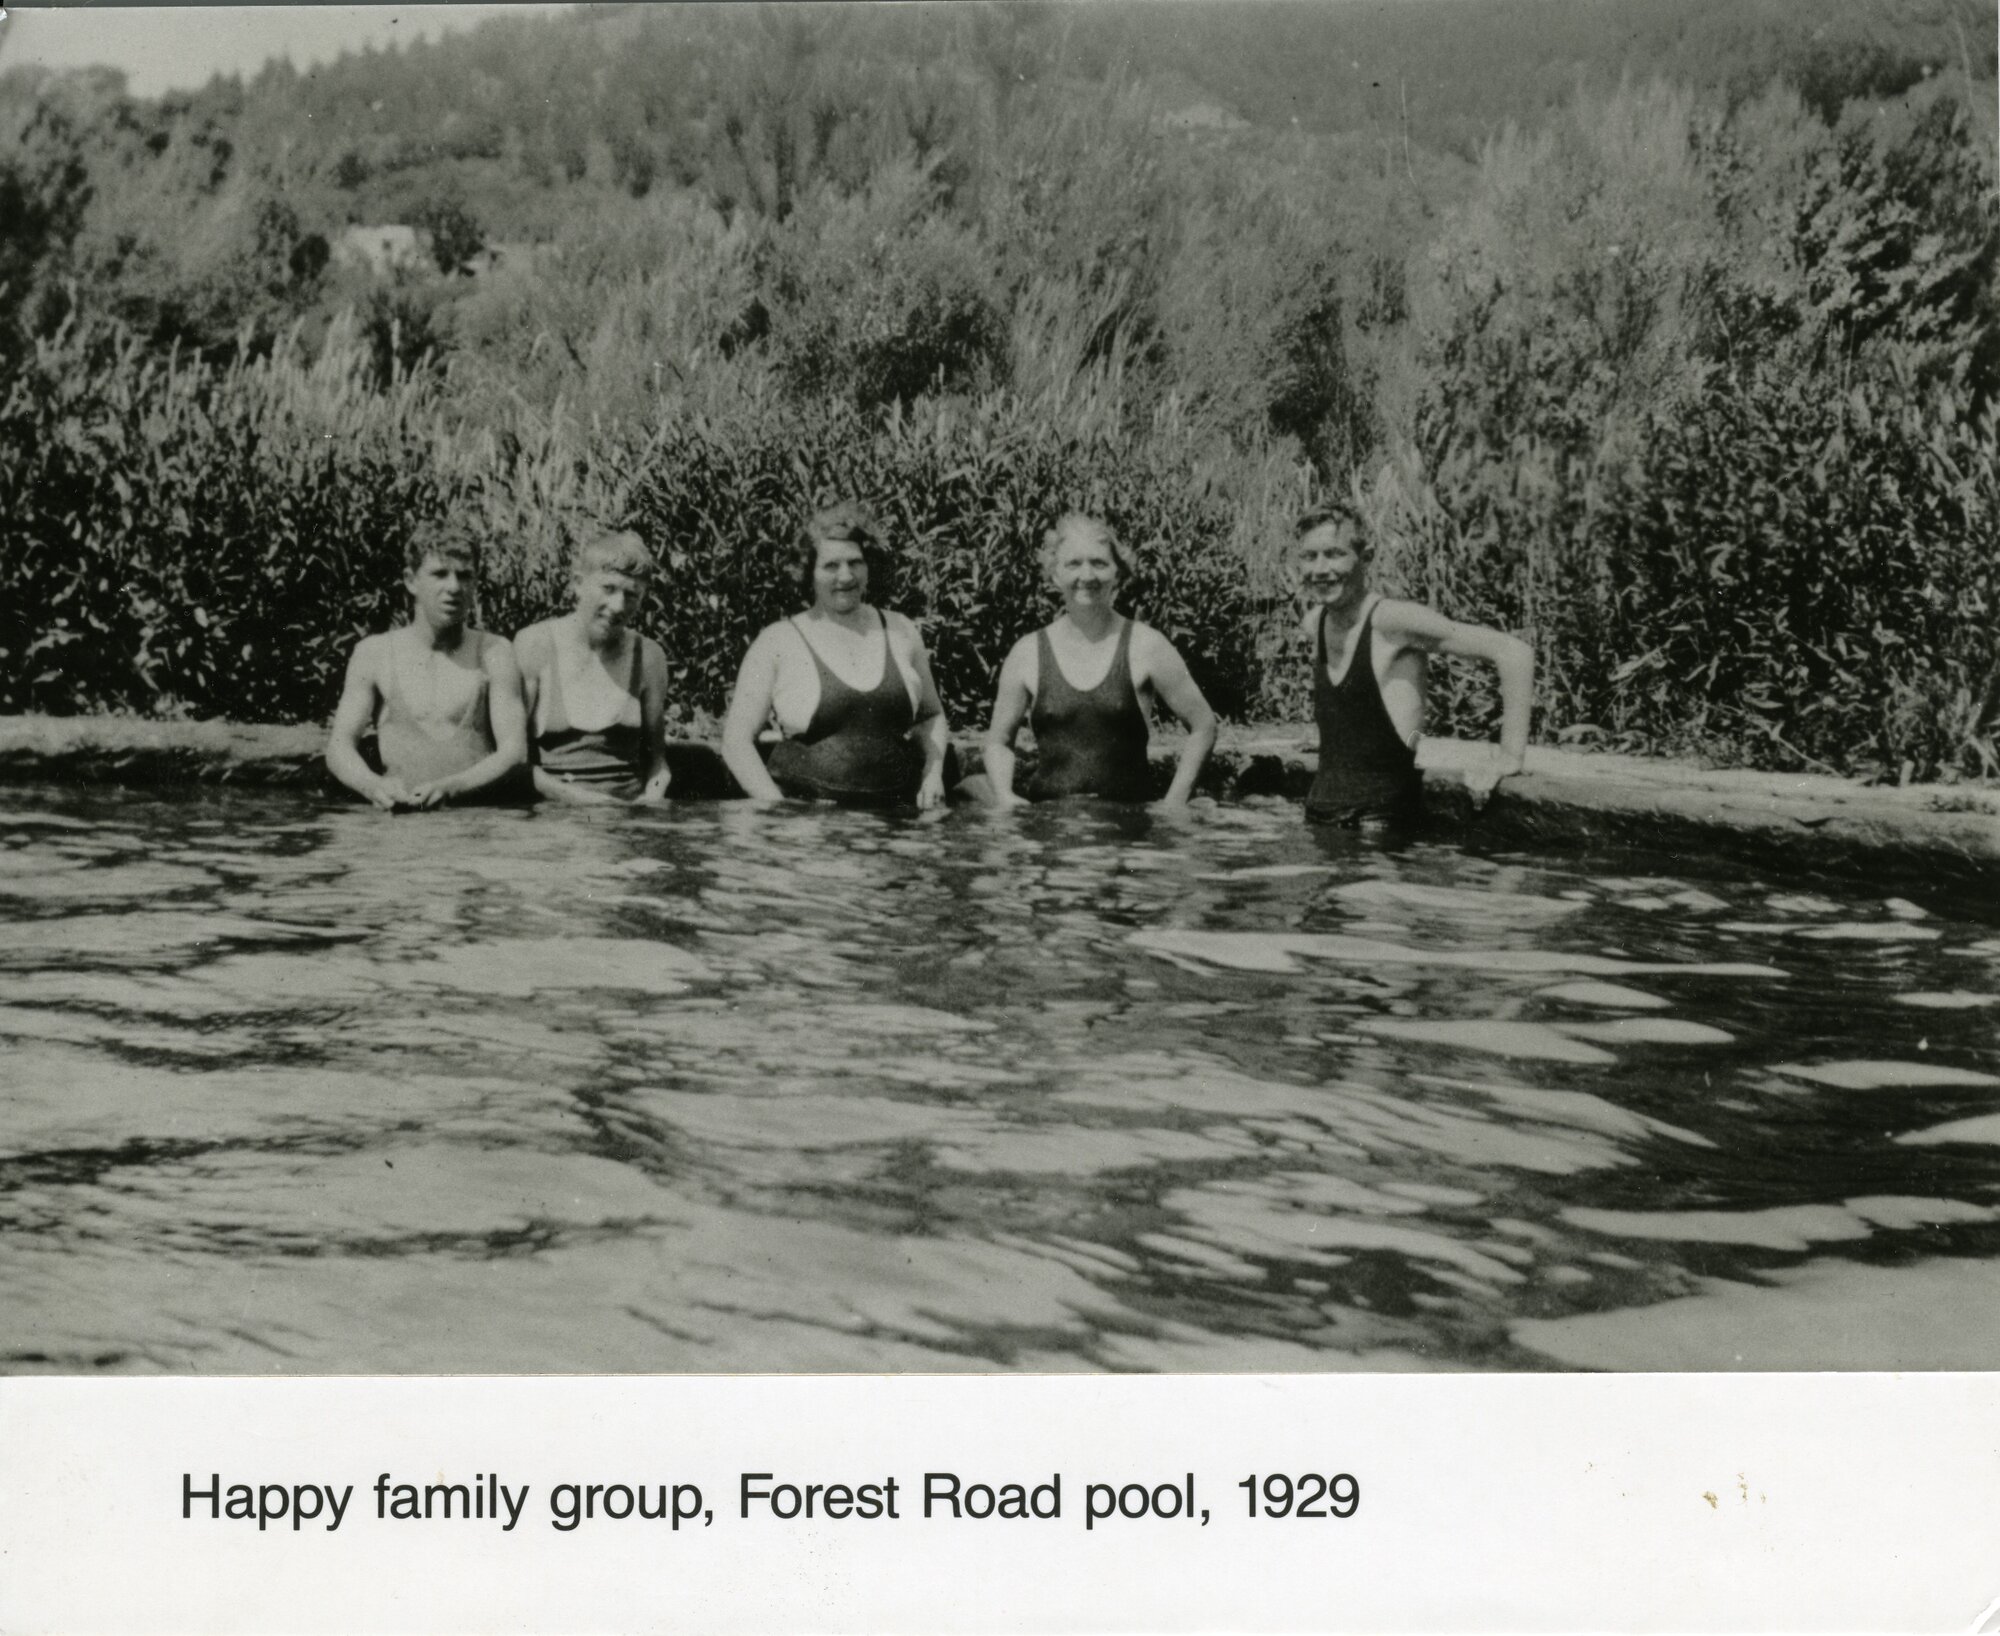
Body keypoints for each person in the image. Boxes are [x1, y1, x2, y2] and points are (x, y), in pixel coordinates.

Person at [1292, 499, 1534, 824]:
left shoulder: (1393, 622)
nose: (1321, 570)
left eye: (1335, 554)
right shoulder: (1314, 623)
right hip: (1320, 819)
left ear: (1366, 557)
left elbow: (1513, 652)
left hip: (1377, 829)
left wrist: (1509, 756)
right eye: (1310, 557)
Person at [722, 501, 952, 809]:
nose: (845, 577)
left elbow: (931, 716)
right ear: (809, 573)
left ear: (869, 565)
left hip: (898, 825)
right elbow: (736, 741)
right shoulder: (777, 642)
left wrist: (932, 773)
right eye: (831, 566)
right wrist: (777, 809)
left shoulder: (902, 631)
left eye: (855, 563)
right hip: (811, 832)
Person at [979, 514, 1217, 809]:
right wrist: (1004, 795)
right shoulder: (1026, 652)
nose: (1087, 576)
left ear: (1118, 572)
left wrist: (1174, 802)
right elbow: (998, 742)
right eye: (1073, 564)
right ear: (1054, 574)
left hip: (1128, 830)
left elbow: (1204, 725)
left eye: (1099, 563)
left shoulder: (1147, 645)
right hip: (1049, 829)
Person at [325, 516, 528, 811]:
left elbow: (514, 752)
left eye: (464, 575)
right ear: (411, 580)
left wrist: (453, 787)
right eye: (440, 574)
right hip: (400, 821)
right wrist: (373, 787)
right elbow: (339, 746)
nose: (454, 587)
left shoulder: (496, 651)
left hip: (475, 822)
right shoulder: (375, 652)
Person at [513, 528, 671, 804]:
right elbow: (515, 760)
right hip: (553, 820)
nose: (618, 605)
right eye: (608, 588)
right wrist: (584, 802)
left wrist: (652, 799)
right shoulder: (534, 644)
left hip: (628, 820)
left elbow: (657, 761)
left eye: (631, 595)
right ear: (578, 583)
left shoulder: (649, 656)